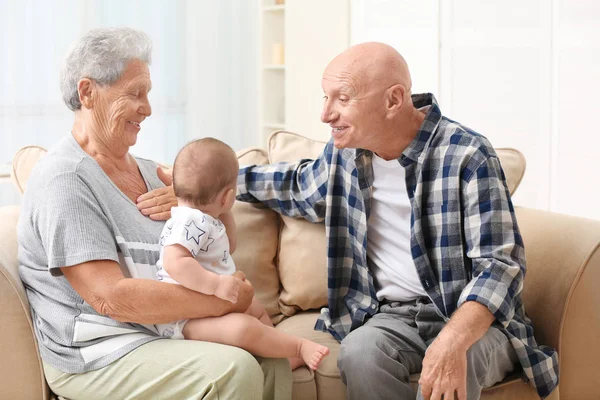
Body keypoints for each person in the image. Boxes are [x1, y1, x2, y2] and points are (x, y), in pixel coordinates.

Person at [233, 42, 559, 400]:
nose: (326, 114)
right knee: (360, 353)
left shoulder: (467, 154)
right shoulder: (346, 155)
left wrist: (451, 340)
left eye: (342, 99)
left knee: (459, 360)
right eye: (325, 97)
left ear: (393, 100)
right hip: (392, 316)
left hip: (473, 321)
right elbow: (299, 188)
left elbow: (500, 264)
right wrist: (210, 185)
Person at [18, 27, 292, 400]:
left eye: (147, 93)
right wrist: (225, 300)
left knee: (270, 355)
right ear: (87, 92)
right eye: (134, 93)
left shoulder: (152, 174)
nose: (147, 107)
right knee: (233, 367)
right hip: (99, 350)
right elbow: (110, 298)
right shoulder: (65, 179)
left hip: (158, 331)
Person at [154, 137, 329, 370]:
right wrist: (215, 285)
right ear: (227, 196)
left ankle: (278, 352)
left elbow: (230, 245)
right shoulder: (189, 221)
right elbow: (174, 262)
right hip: (186, 319)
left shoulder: (207, 220)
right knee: (242, 328)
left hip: (213, 306)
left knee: (254, 308)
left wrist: (224, 212)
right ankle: (296, 348)